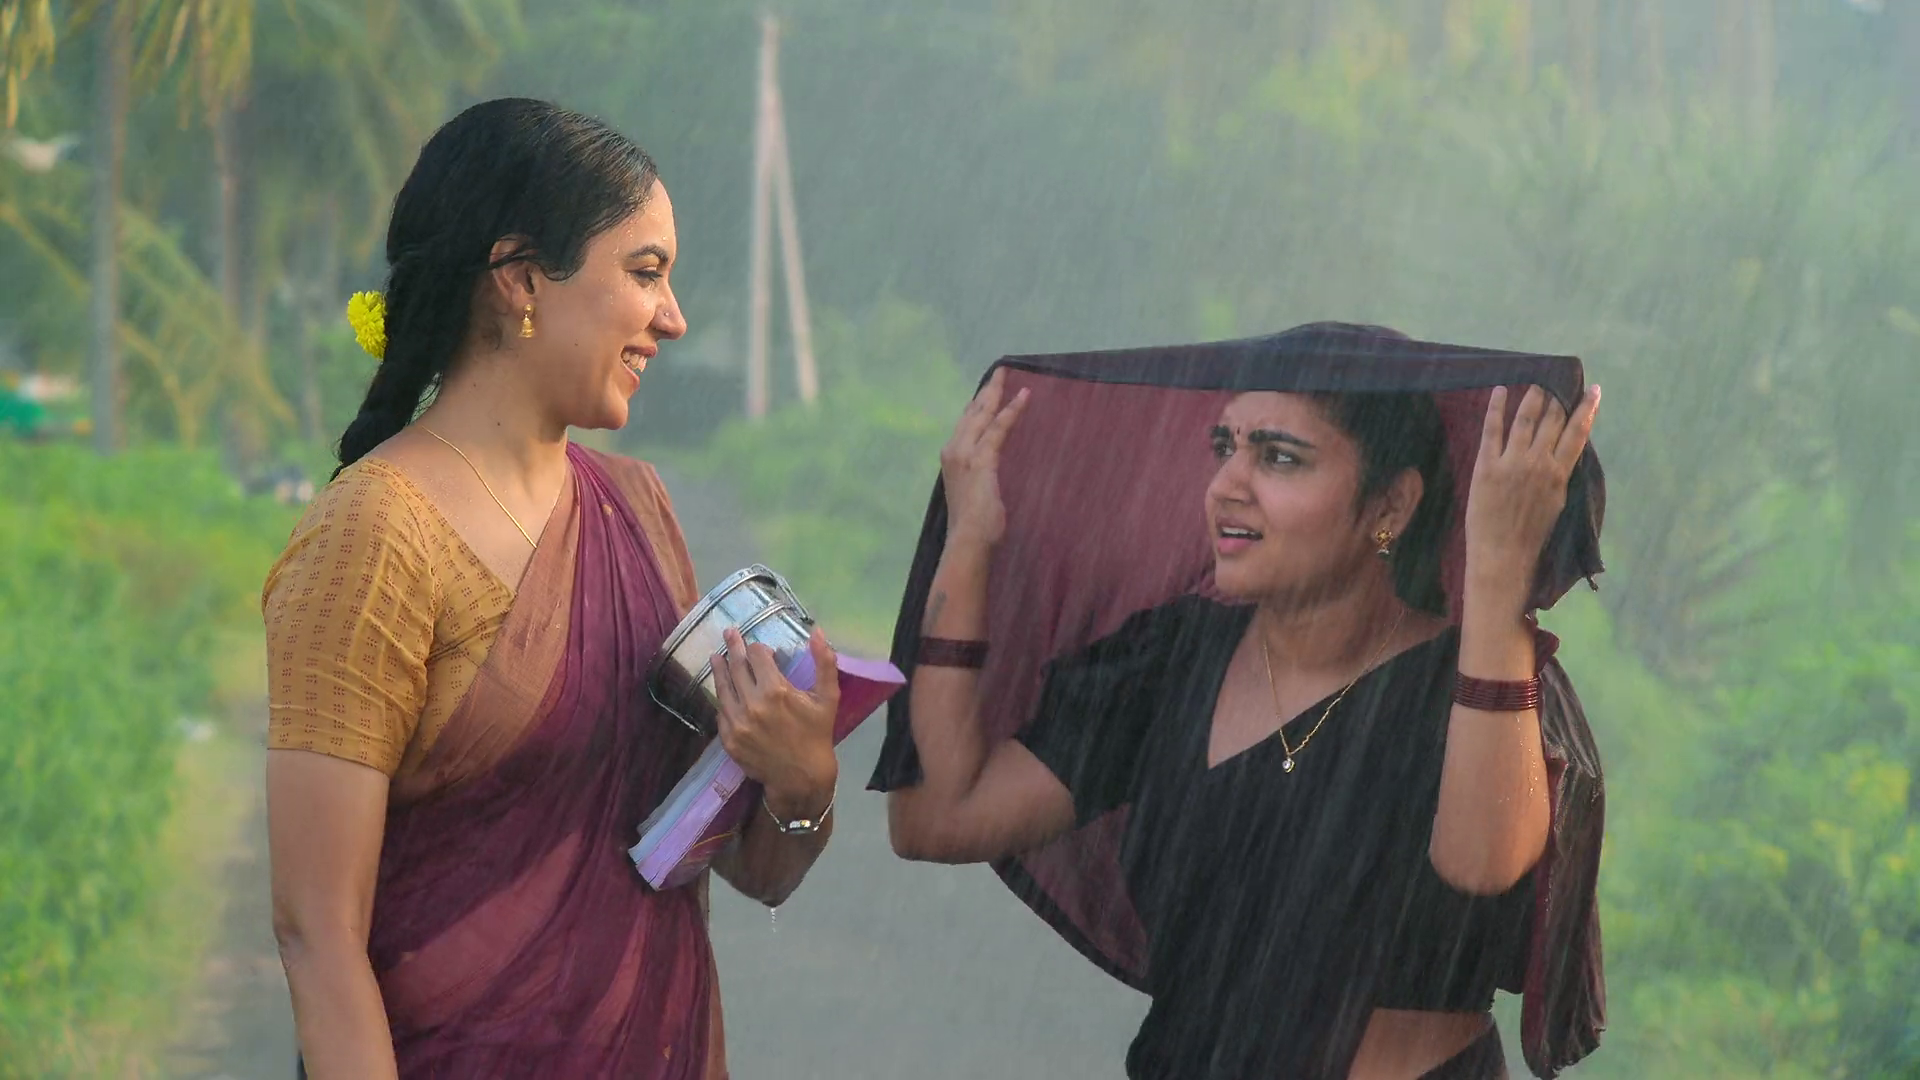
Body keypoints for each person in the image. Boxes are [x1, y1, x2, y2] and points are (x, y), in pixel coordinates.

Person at [263, 98, 841, 1079]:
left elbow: (730, 859)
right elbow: (317, 935)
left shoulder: (638, 506)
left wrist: (802, 779)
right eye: (645, 273)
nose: (673, 318)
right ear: (521, 276)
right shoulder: (377, 535)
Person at [875, 324, 1608, 1079]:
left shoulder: (1473, 682)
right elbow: (939, 817)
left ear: (1390, 504)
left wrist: (1496, 576)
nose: (1227, 483)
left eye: (1279, 457)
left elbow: (1484, 863)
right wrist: (969, 542)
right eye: (1224, 448)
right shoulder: (1171, 660)